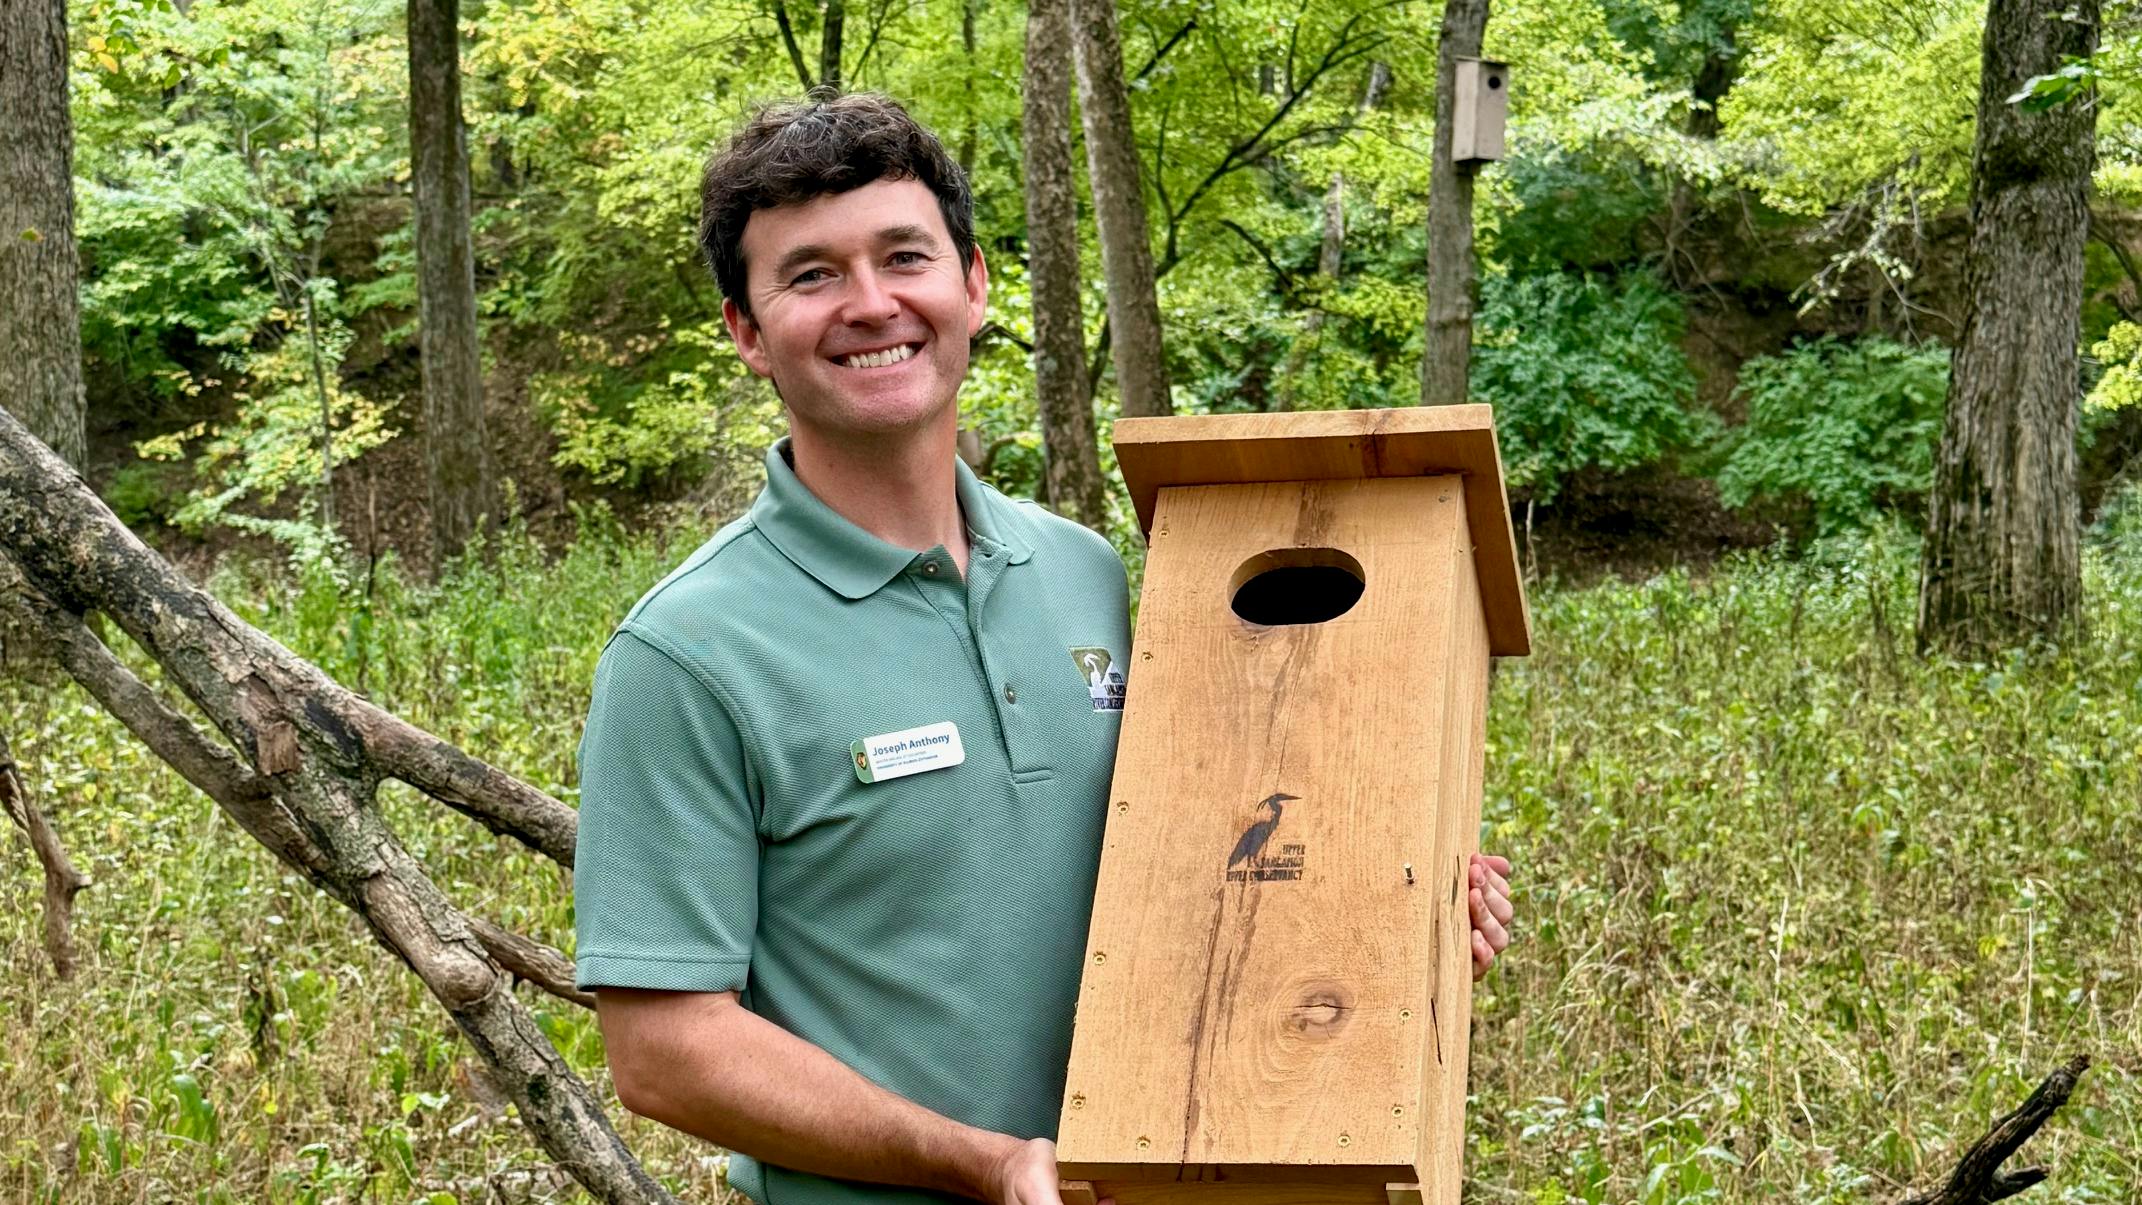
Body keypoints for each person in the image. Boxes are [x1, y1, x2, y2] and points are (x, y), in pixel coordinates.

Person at [571, 93, 1518, 1205]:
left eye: (903, 256)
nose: (871, 304)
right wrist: (987, 1160)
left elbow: (1200, 853)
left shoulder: (1088, 572)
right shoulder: (686, 652)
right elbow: (665, 1047)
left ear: (972, 284)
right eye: (812, 274)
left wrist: (1385, 912)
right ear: (746, 332)